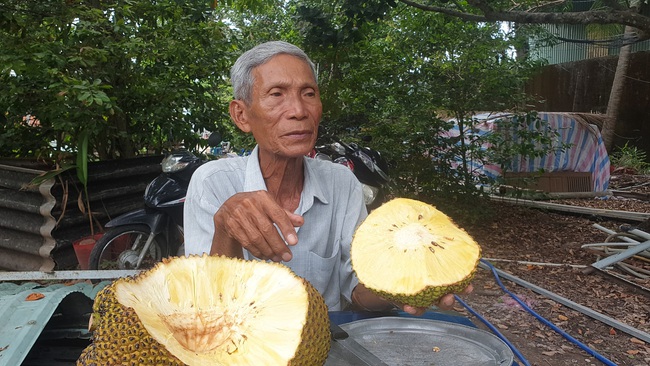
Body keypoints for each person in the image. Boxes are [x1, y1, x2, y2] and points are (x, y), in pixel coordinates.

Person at [184, 40, 470, 315]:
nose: (298, 111)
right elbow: (205, 307)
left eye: (309, 93)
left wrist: (406, 285)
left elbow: (357, 292)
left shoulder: (341, 183)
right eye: (276, 94)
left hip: (327, 347)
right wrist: (226, 228)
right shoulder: (212, 183)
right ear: (242, 115)